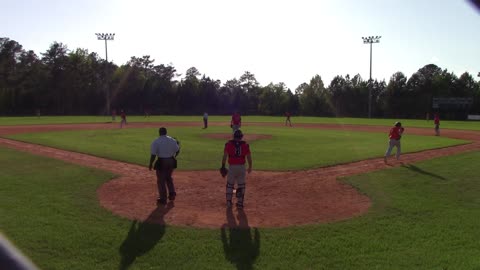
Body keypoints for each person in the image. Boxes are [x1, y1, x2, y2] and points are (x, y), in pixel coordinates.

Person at [221, 129, 252, 208]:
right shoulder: (245, 145)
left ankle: (228, 202)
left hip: (232, 167)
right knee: (241, 185)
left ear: (234, 136)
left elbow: (224, 157)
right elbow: (249, 158)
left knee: (230, 185)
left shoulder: (228, 144)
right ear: (241, 137)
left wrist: (223, 166)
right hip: (241, 167)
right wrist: (250, 166)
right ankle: (240, 203)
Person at [149, 127, 180, 205]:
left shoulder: (156, 141)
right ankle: (172, 194)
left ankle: (163, 198)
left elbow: (153, 155)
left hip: (162, 161)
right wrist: (174, 157)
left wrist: (151, 163)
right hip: (171, 161)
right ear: (166, 132)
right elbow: (178, 150)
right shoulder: (172, 140)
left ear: (159, 132)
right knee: (169, 178)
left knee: (161, 180)